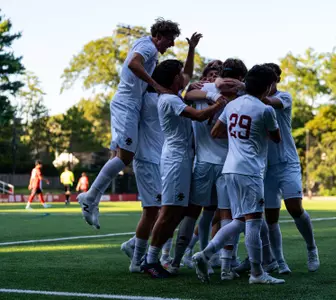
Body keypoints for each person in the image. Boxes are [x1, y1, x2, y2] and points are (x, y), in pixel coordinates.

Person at [77, 18, 181, 229]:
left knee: (120, 155)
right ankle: (90, 197)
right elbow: (134, 63)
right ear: (159, 36)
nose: (171, 45)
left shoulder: (146, 45)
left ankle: (92, 199)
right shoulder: (148, 47)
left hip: (128, 104)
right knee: (126, 156)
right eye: (170, 40)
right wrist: (155, 85)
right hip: (127, 104)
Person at [192, 65, 285, 285]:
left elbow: (216, 131)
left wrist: (237, 139)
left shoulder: (232, 105)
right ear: (268, 86)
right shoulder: (265, 110)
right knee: (253, 221)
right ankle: (256, 273)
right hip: (250, 170)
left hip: (229, 168)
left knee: (239, 220)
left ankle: (205, 253)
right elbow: (276, 138)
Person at [119, 32, 202, 273]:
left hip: (163, 158)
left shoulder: (170, 95)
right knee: (155, 211)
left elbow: (185, 76)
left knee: (165, 211)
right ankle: (141, 259)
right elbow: (135, 68)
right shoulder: (151, 98)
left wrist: (191, 50)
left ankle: (136, 249)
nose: (183, 79)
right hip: (149, 158)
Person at [139, 59, 228, 279]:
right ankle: (150, 260)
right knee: (168, 212)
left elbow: (189, 86)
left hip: (183, 159)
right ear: (172, 79)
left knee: (177, 212)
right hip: (176, 161)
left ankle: (154, 257)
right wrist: (219, 103)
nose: (184, 77)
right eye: (180, 74)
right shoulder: (170, 99)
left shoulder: (174, 96)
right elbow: (198, 115)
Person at [174, 59, 248, 280]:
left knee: (194, 212)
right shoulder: (243, 94)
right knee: (228, 214)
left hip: (203, 162)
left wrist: (210, 90)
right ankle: (226, 266)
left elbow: (186, 96)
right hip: (228, 163)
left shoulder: (202, 88)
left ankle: (176, 261)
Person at [259, 63, 319, 274]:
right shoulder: (253, 100)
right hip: (265, 167)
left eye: (273, 78)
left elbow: (268, 100)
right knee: (271, 217)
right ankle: (280, 261)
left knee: (295, 208)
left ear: (277, 80)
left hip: (287, 162)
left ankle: (312, 248)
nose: (270, 82)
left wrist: (247, 91)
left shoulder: (284, 97)